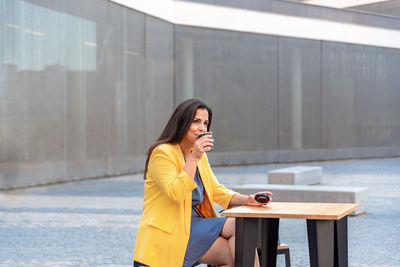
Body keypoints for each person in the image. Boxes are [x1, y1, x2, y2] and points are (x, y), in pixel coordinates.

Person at [133, 98, 272, 267]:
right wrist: (193, 159)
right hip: (172, 229)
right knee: (233, 251)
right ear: (182, 123)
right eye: (196, 121)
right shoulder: (163, 153)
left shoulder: (199, 155)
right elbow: (175, 194)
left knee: (241, 227)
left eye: (205, 123)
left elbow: (215, 189)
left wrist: (247, 199)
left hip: (196, 224)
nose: (202, 128)